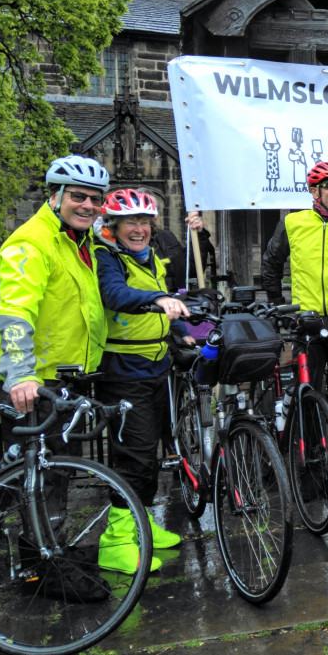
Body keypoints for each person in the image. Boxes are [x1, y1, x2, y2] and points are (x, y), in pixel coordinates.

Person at [0, 154, 112, 599]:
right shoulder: (31, 242)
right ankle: (41, 566)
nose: (88, 205)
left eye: (95, 199)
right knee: (42, 476)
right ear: (54, 196)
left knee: (53, 473)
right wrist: (20, 374)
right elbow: (16, 311)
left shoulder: (79, 242)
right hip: (33, 381)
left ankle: (48, 551)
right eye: (78, 196)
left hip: (66, 375)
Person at [92, 189, 201, 573]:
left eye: (144, 222)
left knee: (151, 455)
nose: (138, 229)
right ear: (114, 226)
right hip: (123, 370)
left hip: (155, 364)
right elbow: (114, 294)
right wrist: (158, 298)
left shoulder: (148, 256)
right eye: (130, 223)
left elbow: (164, 304)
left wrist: (180, 329)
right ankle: (116, 541)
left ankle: (142, 523)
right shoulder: (105, 256)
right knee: (132, 456)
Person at [261, 161, 328, 450]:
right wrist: (277, 305)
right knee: (307, 393)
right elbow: (271, 263)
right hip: (306, 322)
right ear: (314, 190)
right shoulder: (293, 223)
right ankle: (311, 464)